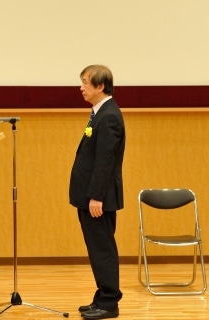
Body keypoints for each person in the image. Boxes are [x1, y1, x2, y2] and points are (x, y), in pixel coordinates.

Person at [69, 65, 125, 319]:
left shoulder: (110, 115)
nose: (81, 87)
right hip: (91, 195)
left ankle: (110, 302)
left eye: (85, 82)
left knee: (102, 249)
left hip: (98, 198)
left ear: (100, 86)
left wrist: (96, 196)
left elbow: (105, 161)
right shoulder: (99, 113)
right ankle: (102, 296)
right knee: (97, 248)